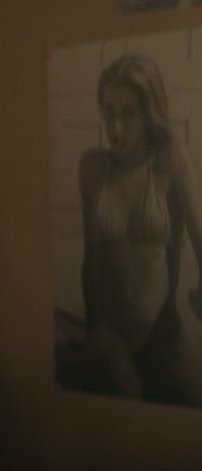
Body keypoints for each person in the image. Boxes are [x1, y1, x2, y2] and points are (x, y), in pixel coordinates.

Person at [78, 53, 202, 405]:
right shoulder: (91, 168)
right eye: (109, 111)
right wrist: (93, 332)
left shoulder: (170, 159)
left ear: (149, 113)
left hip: (164, 336)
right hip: (110, 340)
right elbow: (89, 260)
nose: (115, 127)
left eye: (128, 113)